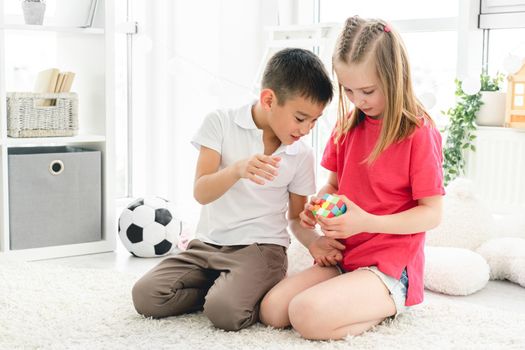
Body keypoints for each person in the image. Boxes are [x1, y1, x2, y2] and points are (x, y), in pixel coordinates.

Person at [131, 48, 344, 331]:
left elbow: (295, 218)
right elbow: (201, 191)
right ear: (269, 99)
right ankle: (225, 289)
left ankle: (233, 292)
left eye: (315, 121)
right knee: (146, 296)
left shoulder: (301, 154)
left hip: (261, 249)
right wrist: (237, 170)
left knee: (226, 314)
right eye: (300, 118)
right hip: (207, 245)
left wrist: (314, 241)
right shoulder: (220, 122)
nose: (306, 129)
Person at [260, 16, 445, 340]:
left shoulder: (418, 132)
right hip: (346, 257)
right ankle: (345, 297)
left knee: (306, 316)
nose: (358, 100)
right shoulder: (348, 124)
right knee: (273, 310)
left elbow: (432, 213)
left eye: (368, 90)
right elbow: (333, 185)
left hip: (388, 268)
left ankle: (387, 305)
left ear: (394, 77)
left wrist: (366, 222)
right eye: (348, 89)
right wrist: (319, 207)